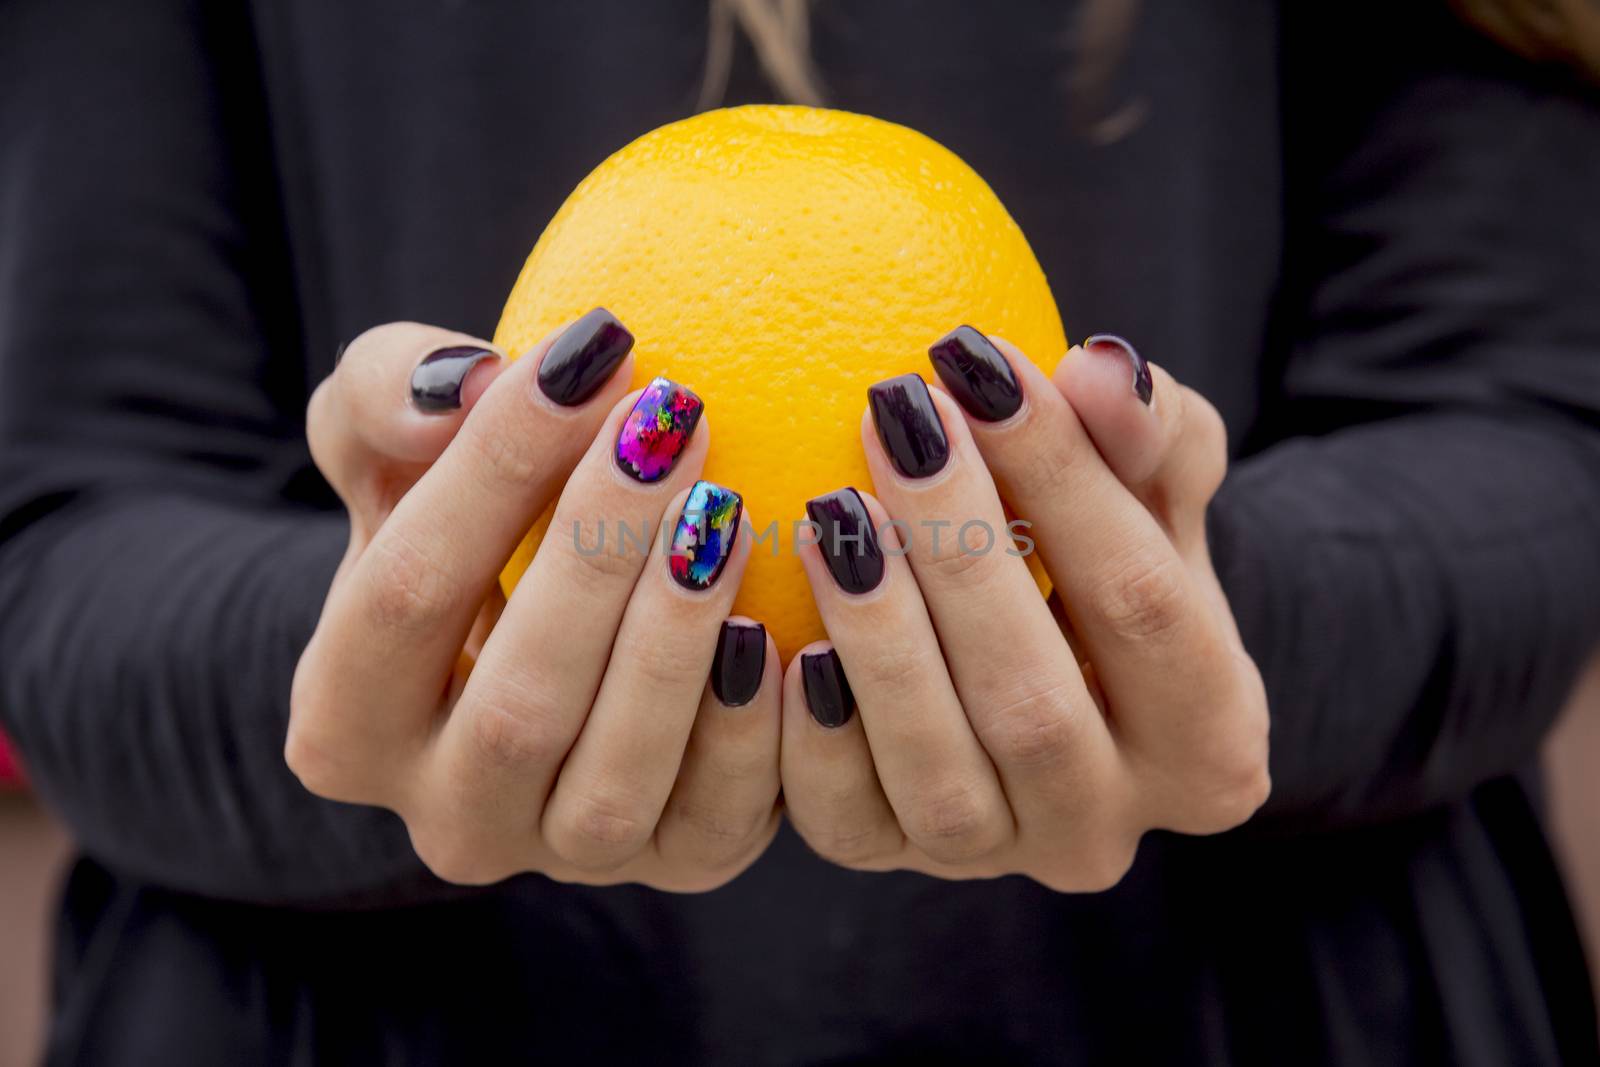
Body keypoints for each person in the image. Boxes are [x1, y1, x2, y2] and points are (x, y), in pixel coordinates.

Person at [2, 1, 1599, 1063]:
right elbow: (64, 537)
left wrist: (1152, 619)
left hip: (1281, 1001)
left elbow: (1530, 438)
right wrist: (437, 650)